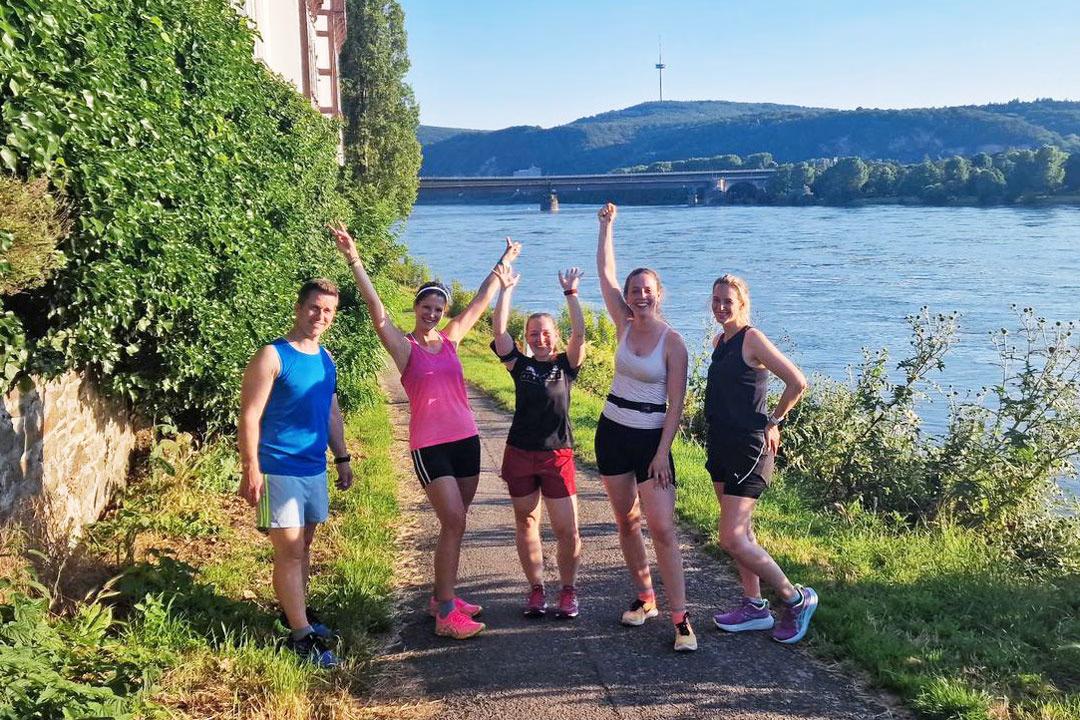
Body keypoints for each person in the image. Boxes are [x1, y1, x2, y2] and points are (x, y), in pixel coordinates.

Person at [328, 221, 521, 640]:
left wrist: (503, 262)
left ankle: (441, 595)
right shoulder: (404, 347)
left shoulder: (451, 339)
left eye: (439, 308)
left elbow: (479, 303)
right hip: (430, 446)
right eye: (426, 307)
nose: (432, 313)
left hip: (466, 441)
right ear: (416, 308)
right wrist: (354, 258)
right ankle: (446, 613)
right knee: (453, 520)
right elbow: (377, 311)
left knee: (458, 520)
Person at [593, 203, 696, 652]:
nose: (639, 295)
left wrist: (660, 453)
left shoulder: (674, 342)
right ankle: (645, 598)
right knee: (625, 521)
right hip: (612, 431)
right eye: (634, 290)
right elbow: (605, 272)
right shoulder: (622, 323)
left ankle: (681, 620)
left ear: (660, 293)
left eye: (647, 290)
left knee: (663, 528)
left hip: (651, 441)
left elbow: (676, 405)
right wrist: (606, 227)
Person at [238, 278, 353, 668]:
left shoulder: (326, 359)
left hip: (313, 468)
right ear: (298, 307)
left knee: (303, 550)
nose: (319, 316)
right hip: (278, 468)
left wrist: (342, 457)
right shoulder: (272, 356)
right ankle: (301, 636)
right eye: (314, 307)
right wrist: (250, 467)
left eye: (328, 311)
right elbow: (249, 415)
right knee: (288, 554)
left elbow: (331, 412)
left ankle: (295, 614)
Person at [705, 273, 817, 644]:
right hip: (720, 446)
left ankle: (795, 599)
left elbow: (797, 381)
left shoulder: (752, 339)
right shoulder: (721, 340)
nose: (721, 307)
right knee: (744, 533)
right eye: (716, 300)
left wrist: (775, 420)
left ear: (742, 304)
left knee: (732, 537)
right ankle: (754, 607)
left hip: (749, 449)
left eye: (728, 301)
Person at [491, 266, 585, 620]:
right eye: (533, 334)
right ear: (527, 338)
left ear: (555, 336)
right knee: (526, 522)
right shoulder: (520, 365)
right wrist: (506, 289)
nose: (539, 339)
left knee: (567, 529)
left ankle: (568, 590)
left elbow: (580, 332)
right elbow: (499, 330)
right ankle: (536, 589)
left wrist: (571, 295)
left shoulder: (567, 365)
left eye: (545, 333)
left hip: (557, 455)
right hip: (519, 453)